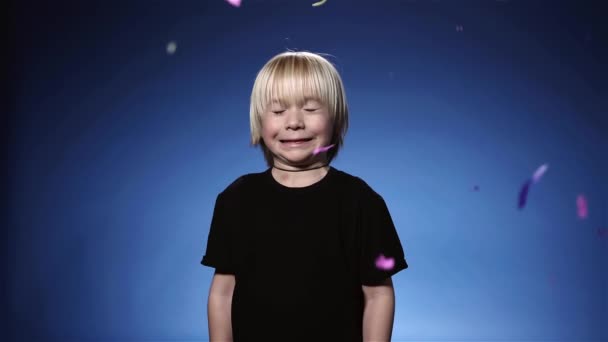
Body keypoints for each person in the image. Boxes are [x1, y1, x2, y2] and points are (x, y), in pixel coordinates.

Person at [201, 50, 408, 341]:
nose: (294, 122)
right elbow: (222, 293)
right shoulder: (236, 200)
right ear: (260, 121)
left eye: (310, 109)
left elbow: (378, 294)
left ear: (335, 118)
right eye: (278, 110)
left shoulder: (361, 202)